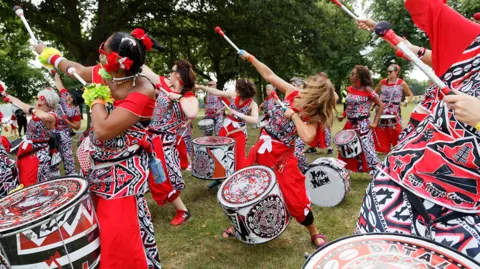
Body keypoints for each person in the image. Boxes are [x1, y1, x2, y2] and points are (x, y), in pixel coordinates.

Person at [354, 0, 480, 262]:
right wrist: (391, 37)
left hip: (469, 208)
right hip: (404, 184)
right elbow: (422, 15)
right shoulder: (472, 42)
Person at [33, 29, 162, 268]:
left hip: (123, 178)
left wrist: (95, 97)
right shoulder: (105, 73)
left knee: (119, 238)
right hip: (96, 171)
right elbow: (75, 69)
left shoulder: (142, 88)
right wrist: (49, 54)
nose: (99, 56)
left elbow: (103, 129)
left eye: (104, 51)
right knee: (95, 232)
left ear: (118, 62)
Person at [221, 50, 336, 248]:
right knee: (246, 188)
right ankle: (238, 224)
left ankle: (314, 231)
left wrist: (295, 116)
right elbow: (269, 75)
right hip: (261, 148)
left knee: (296, 198)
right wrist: (251, 57)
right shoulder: (293, 92)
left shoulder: (312, 114)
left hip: (282, 157)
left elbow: (307, 137)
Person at [146, 60, 198, 226]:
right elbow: (143, 70)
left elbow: (191, 112)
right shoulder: (162, 84)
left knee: (164, 178)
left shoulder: (189, 97)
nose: (168, 73)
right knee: (141, 174)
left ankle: (183, 210)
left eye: (172, 70)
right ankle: (140, 210)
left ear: (178, 75)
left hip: (165, 142)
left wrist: (178, 98)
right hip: (149, 137)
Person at [197, 78, 259, 188]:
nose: (235, 90)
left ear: (244, 90)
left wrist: (237, 114)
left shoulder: (252, 104)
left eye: (238, 89)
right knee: (219, 153)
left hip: (238, 131)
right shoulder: (234, 95)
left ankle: (236, 180)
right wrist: (202, 87)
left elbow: (254, 120)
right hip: (225, 129)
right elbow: (216, 92)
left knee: (238, 159)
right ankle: (218, 178)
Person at [3, 89, 59, 186]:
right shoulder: (37, 110)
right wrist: (5, 94)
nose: (37, 101)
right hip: (26, 152)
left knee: (31, 184)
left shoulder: (52, 114)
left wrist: (31, 109)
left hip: (37, 155)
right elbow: (21, 103)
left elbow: (46, 117)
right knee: (21, 180)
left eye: (39, 98)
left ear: (46, 100)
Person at [337, 65, 383, 174]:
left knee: (367, 150)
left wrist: (375, 122)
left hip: (363, 125)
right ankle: (344, 170)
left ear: (360, 76)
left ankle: (378, 172)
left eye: (353, 74)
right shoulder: (350, 89)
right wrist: (343, 115)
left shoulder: (368, 90)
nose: (350, 76)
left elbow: (381, 105)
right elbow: (350, 105)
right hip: (350, 124)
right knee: (347, 149)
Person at [372, 64, 413, 153]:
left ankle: (398, 147)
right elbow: (374, 93)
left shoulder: (401, 83)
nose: (388, 73)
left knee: (395, 128)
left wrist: (406, 101)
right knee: (381, 127)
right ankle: (382, 148)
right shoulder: (382, 82)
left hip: (394, 109)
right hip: (382, 108)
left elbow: (410, 94)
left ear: (396, 72)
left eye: (390, 71)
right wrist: (374, 102)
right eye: (388, 71)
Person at [51, 73, 81, 175]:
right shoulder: (63, 96)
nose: (69, 98)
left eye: (72, 98)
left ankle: (71, 174)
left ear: (76, 101)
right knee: (53, 153)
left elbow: (77, 127)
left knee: (67, 155)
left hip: (65, 132)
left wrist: (67, 121)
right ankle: (54, 174)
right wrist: (56, 75)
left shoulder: (75, 111)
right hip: (53, 131)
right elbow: (59, 85)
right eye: (69, 95)